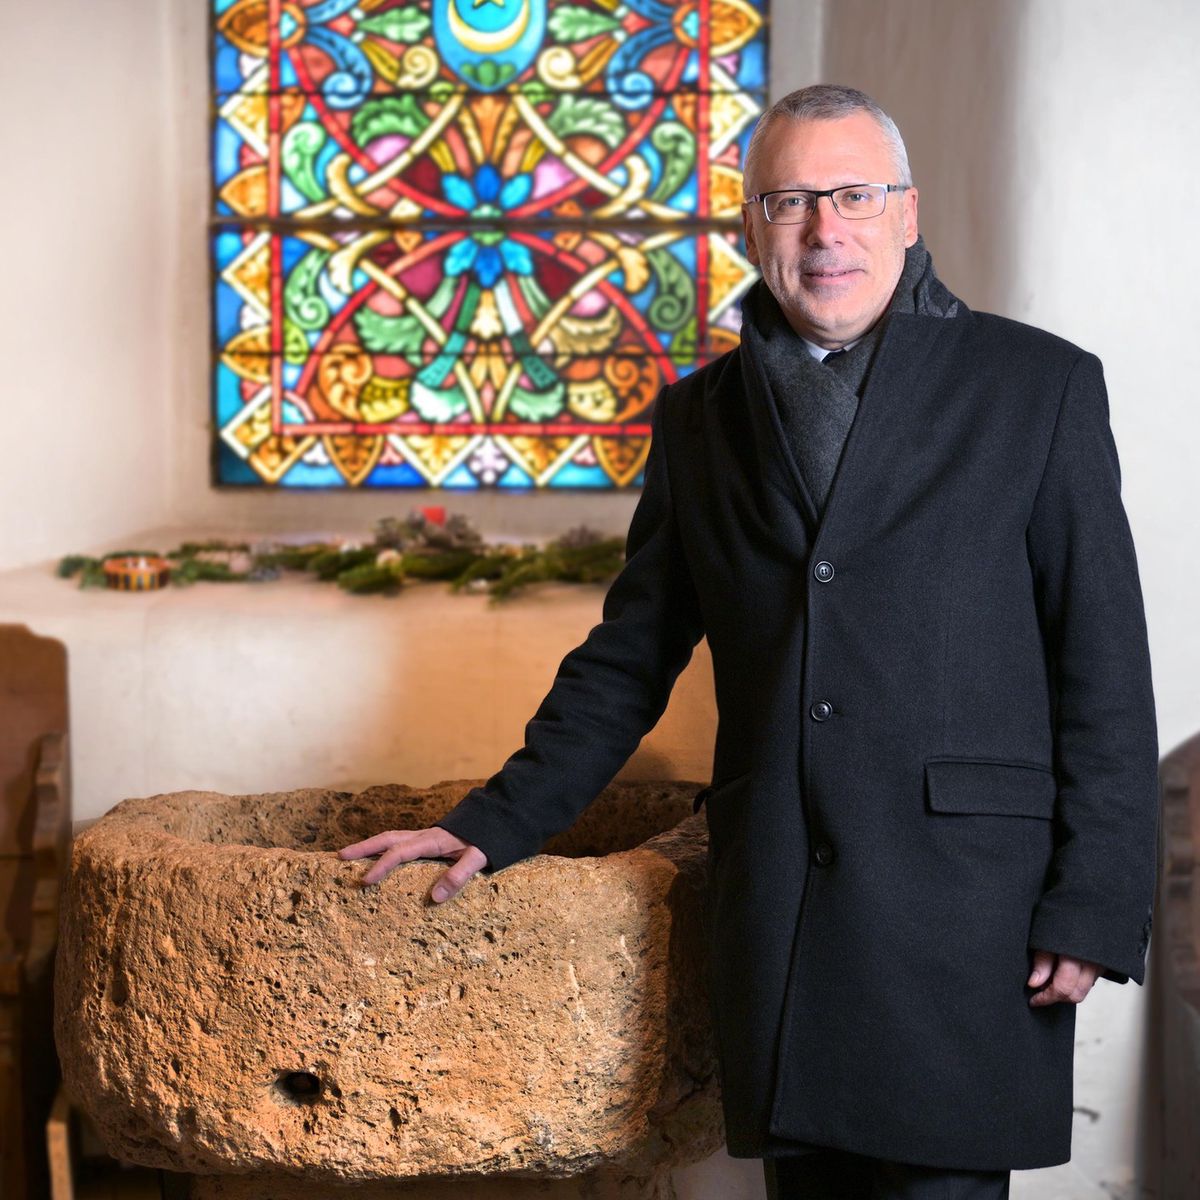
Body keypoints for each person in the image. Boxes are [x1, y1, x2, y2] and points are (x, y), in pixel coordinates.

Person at [337, 85, 1160, 1200]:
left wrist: (1097, 897)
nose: (827, 232)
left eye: (855, 196)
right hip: (783, 899)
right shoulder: (698, 418)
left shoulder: (1038, 387)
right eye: (790, 202)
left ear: (907, 215)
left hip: (969, 910)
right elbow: (630, 657)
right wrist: (490, 823)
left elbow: (1102, 664)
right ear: (751, 229)